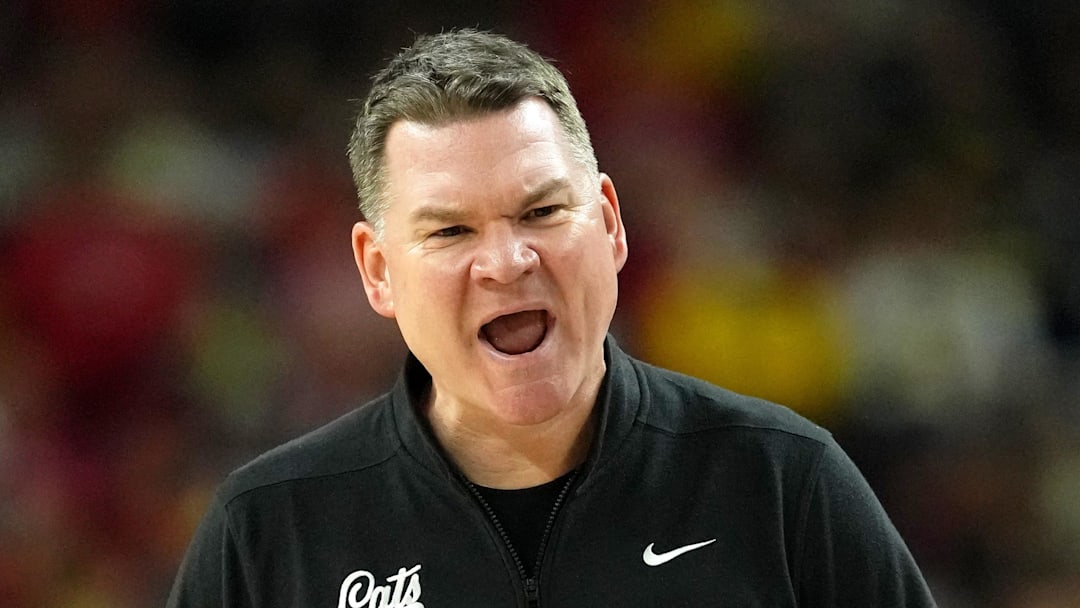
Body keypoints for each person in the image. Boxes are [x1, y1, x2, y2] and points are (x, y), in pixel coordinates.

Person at [167, 29, 937, 607]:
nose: (507, 262)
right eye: (450, 231)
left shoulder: (783, 485)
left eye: (540, 211)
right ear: (378, 271)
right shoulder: (268, 531)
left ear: (609, 222)